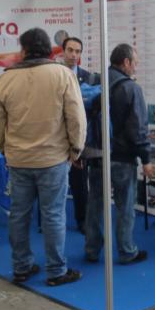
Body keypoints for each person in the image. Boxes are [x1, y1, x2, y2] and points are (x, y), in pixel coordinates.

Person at [0, 28, 86, 287]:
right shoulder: (63, 75)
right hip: (53, 159)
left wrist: (3, 148)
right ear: (50, 49)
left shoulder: (5, 79)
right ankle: (56, 271)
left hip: (18, 159)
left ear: (23, 50)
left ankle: (21, 267)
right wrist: (76, 149)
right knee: (53, 215)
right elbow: (76, 117)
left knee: (18, 214)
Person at [84, 43, 154, 264]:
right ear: (126, 62)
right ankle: (126, 251)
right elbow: (138, 128)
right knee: (125, 206)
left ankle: (92, 249)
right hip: (122, 157)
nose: (136, 67)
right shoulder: (131, 88)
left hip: (96, 154)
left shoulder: (96, 83)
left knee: (95, 205)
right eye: (135, 63)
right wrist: (146, 158)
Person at [61, 37, 98, 234]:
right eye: (70, 50)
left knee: (81, 181)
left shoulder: (89, 78)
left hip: (82, 137)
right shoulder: (55, 75)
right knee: (62, 183)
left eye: (77, 51)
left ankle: (83, 220)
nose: (74, 55)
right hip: (59, 138)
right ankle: (54, 220)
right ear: (63, 52)